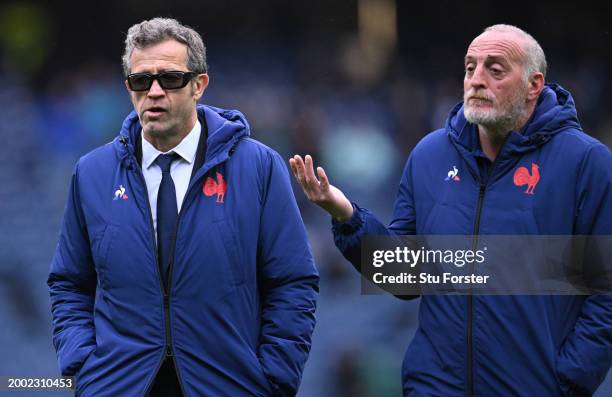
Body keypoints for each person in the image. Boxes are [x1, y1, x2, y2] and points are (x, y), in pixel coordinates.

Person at [290, 24, 611, 396]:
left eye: (495, 69)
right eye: (470, 67)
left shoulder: (586, 163)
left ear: (533, 85)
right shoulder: (429, 155)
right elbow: (407, 279)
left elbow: (605, 295)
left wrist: (566, 381)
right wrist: (348, 216)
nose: (476, 80)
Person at [48, 17, 318, 397]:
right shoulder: (92, 173)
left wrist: (274, 378)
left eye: (170, 78)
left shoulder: (258, 167)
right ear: (129, 89)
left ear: (199, 85)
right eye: (142, 81)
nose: (154, 91)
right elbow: (70, 283)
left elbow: (292, 282)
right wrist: (82, 369)